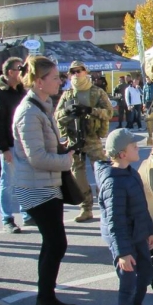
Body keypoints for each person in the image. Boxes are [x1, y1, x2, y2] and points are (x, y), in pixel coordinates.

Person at [12, 55, 77, 305]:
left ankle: (48, 300)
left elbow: (41, 150)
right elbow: (36, 157)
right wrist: (66, 160)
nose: (59, 81)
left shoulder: (41, 106)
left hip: (46, 186)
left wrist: (60, 146)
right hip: (37, 189)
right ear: (39, 82)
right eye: (54, 78)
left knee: (52, 245)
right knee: (55, 245)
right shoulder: (29, 112)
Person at [94, 128, 153, 305]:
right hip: (124, 241)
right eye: (134, 146)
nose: (138, 148)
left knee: (147, 274)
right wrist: (122, 253)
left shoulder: (131, 173)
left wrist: (149, 231)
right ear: (122, 154)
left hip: (138, 235)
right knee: (128, 285)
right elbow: (115, 221)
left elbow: (142, 207)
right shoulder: (113, 183)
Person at [54, 60, 113, 222]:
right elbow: (56, 116)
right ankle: (86, 208)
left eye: (79, 70)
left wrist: (89, 110)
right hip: (74, 140)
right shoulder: (67, 95)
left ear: (85, 72)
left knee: (103, 173)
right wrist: (67, 111)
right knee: (77, 176)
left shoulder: (97, 92)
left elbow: (108, 112)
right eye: (73, 71)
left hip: (92, 138)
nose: (76, 74)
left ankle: (108, 206)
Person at [0, 56, 33, 233]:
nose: (24, 71)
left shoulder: (22, 91)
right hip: (9, 145)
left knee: (24, 180)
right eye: (20, 68)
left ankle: (27, 214)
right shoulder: (0, 93)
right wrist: (4, 149)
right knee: (8, 182)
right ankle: (7, 218)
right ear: (10, 72)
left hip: (23, 143)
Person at [142, 76, 153, 143]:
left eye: (148, 79)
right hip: (147, 102)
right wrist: (143, 103)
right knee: (148, 115)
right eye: (146, 79)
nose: (147, 80)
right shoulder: (145, 86)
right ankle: (149, 127)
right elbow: (143, 94)